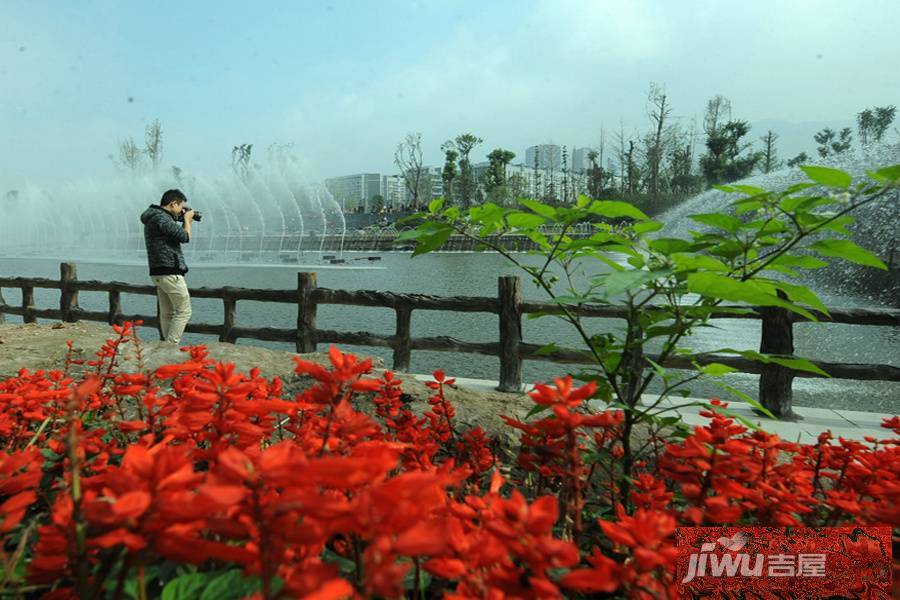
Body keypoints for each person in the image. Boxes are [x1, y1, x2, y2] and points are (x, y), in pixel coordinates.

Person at [141, 189, 195, 344]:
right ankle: (170, 346)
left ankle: (165, 344)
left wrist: (181, 218)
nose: (182, 210)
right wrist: (187, 220)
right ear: (173, 203)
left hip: (157, 271)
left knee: (168, 313)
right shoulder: (162, 219)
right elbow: (185, 237)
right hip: (170, 270)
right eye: (181, 207)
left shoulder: (154, 217)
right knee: (184, 311)